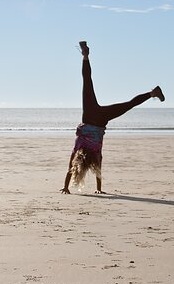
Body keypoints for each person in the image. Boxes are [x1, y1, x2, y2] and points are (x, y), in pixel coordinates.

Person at [60, 41, 165, 194]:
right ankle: (85, 56)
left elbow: (97, 168)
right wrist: (66, 186)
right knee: (87, 82)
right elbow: (72, 166)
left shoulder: (95, 152)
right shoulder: (79, 148)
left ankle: (152, 93)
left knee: (127, 105)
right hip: (90, 115)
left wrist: (95, 189)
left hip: (100, 119)